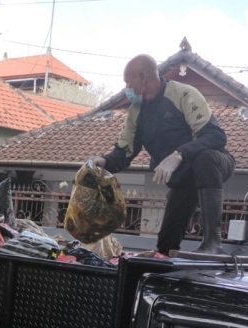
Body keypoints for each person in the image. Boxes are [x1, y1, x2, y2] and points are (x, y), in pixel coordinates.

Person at [91, 54, 235, 256]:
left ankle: (213, 242)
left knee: (205, 158)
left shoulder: (183, 94)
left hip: (214, 165)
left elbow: (216, 137)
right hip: (184, 181)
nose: (126, 88)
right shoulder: (136, 111)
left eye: (128, 82)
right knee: (166, 245)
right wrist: (103, 161)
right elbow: (124, 153)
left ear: (144, 77)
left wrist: (179, 154)